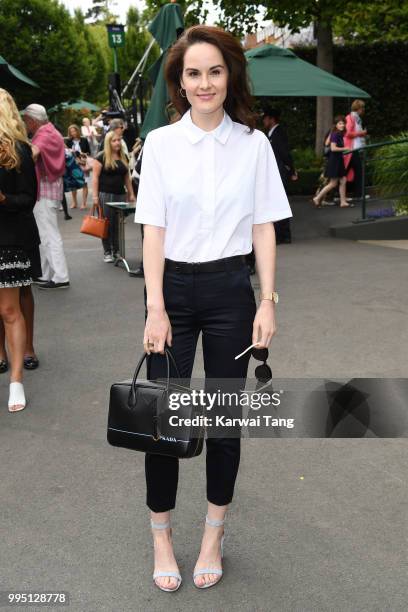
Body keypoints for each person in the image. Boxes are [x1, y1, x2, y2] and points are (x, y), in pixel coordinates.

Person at [134, 25, 292, 592]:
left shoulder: (254, 147)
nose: (205, 83)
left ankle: (212, 534)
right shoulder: (160, 144)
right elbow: (152, 231)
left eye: (215, 71)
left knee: (224, 423)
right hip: (171, 290)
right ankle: (161, 535)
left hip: (230, 291)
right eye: (194, 73)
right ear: (180, 82)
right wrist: (155, 306)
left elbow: (265, 227)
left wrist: (267, 301)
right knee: (164, 420)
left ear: (231, 76)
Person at [0, 88, 40, 411]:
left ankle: (16, 382)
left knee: (10, 310)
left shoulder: (20, 151)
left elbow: (29, 200)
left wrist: (3, 200)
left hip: (9, 240)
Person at [22, 104, 70, 290]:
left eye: (26, 120)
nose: (25, 124)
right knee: (46, 233)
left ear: (32, 120)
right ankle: (46, 274)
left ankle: (60, 276)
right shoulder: (52, 131)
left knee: (48, 234)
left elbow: (33, 154)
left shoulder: (43, 135)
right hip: (51, 187)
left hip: (45, 189)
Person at [92, 131, 135, 262]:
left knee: (118, 224)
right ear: (108, 142)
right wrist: (94, 196)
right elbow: (95, 177)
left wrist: (131, 193)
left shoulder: (124, 157)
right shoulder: (101, 157)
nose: (117, 143)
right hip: (106, 194)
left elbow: (127, 177)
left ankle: (116, 251)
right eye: (114, 140)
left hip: (120, 195)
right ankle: (107, 251)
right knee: (106, 223)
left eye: (119, 140)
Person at [262, 107, 297, 244]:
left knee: (279, 203)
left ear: (271, 119)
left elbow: (284, 153)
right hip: (276, 172)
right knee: (277, 203)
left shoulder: (278, 133)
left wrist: (292, 170)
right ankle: (281, 234)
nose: (263, 121)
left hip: (280, 173)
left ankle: (283, 235)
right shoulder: (272, 133)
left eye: (265, 118)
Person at [313, 115, 352, 208]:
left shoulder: (338, 133)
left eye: (343, 123)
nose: (342, 125)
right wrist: (345, 148)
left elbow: (331, 146)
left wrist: (345, 149)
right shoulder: (335, 134)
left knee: (343, 180)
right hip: (334, 161)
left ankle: (343, 202)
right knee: (333, 183)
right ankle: (317, 198)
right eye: (340, 123)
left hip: (338, 160)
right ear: (336, 125)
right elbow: (333, 148)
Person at [344, 99, 368, 201]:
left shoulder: (355, 118)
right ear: (358, 108)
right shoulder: (351, 118)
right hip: (351, 149)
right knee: (358, 171)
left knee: (348, 172)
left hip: (354, 149)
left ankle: (339, 195)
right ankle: (358, 195)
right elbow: (347, 133)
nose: (363, 110)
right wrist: (361, 133)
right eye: (362, 107)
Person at [65, 124, 91, 209]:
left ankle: (84, 203)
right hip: (73, 164)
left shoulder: (84, 140)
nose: (73, 133)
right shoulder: (68, 141)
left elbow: (89, 152)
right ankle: (74, 202)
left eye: (74, 131)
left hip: (83, 163)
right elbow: (66, 153)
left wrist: (84, 154)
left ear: (77, 131)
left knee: (84, 183)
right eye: (71, 132)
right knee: (73, 183)